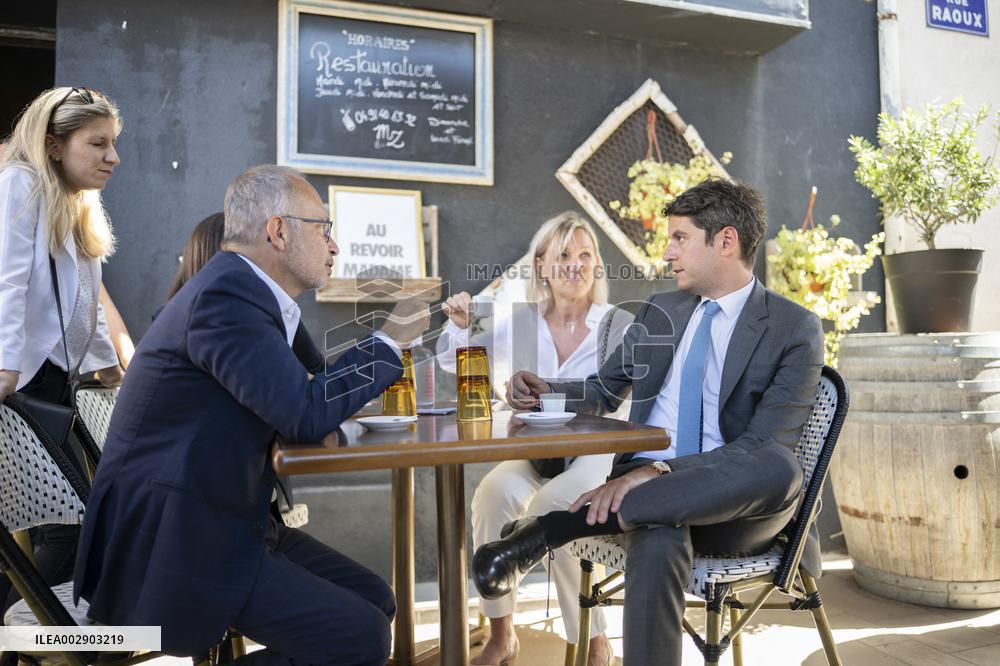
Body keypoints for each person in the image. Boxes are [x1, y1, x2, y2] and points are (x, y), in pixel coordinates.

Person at [73, 165, 430, 665]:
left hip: (229, 518)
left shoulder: (253, 295)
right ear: (278, 231)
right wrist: (391, 339)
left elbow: (317, 387)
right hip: (178, 541)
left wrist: (382, 353)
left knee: (377, 599)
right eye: (324, 228)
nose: (335, 246)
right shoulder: (226, 297)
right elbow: (304, 415)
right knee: (361, 638)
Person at [474, 179, 825, 665]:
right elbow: (602, 389)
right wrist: (545, 390)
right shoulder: (662, 310)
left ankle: (553, 528)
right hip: (638, 496)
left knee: (780, 467)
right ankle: (593, 516)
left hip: (733, 507)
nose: (666, 253)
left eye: (679, 238)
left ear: (725, 241)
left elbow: (766, 444)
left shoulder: (793, 327)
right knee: (659, 530)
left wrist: (658, 472)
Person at [438, 212, 631, 665]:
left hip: (597, 451)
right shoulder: (519, 319)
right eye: (563, 254)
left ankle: (593, 639)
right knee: (491, 495)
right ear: (541, 264)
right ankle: (502, 635)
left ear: (597, 265)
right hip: (534, 448)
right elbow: (455, 359)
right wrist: (463, 324)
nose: (575, 264)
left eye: (585, 254)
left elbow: (623, 397)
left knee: (561, 504)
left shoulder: (615, 323)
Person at [0, 86, 125, 611]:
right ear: (54, 145)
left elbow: (82, 302)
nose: (112, 157)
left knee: (72, 522)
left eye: (113, 143)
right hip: (19, 383)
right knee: (66, 524)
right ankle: (29, 632)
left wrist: (110, 369)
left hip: (54, 385)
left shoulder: (75, 202)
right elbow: (7, 282)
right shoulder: (20, 182)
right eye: (97, 144)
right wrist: (5, 368)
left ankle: (38, 634)